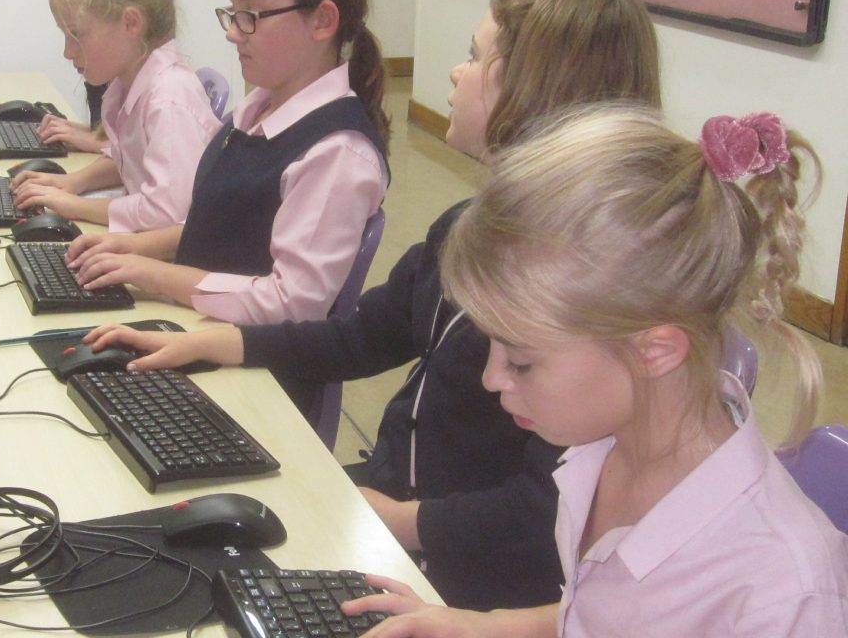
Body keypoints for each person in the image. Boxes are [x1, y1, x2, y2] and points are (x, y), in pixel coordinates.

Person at [80, 0, 663, 610]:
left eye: (475, 57)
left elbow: (540, 513)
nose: (456, 71)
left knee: (183, 590)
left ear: (533, 91)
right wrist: (216, 343)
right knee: (153, 537)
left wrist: (388, 517)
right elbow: (359, 338)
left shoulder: (589, 296)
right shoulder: (468, 227)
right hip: (398, 509)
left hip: (468, 575)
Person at [341, 105, 848, 636]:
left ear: (655, 351)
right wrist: (473, 625)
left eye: (520, 360)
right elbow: (607, 615)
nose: (491, 380)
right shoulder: (602, 448)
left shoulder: (781, 595)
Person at [64, 0, 390, 325]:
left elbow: (292, 303)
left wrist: (157, 275)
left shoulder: (337, 153)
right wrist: (132, 250)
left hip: (256, 365)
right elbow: (216, 225)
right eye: (233, 13)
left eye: (251, 15)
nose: (233, 33)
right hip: (197, 322)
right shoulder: (255, 111)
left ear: (323, 21)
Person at [11, 0, 221, 232]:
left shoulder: (169, 100)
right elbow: (133, 163)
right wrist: (71, 183)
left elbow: (165, 213)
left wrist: (74, 206)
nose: (67, 52)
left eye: (76, 34)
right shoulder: (130, 84)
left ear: (131, 23)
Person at [37, 0, 137, 153]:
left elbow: (142, 156)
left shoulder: (163, 99)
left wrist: (98, 143)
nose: (67, 52)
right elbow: (129, 143)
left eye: (76, 34)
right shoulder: (118, 79)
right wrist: (92, 135)